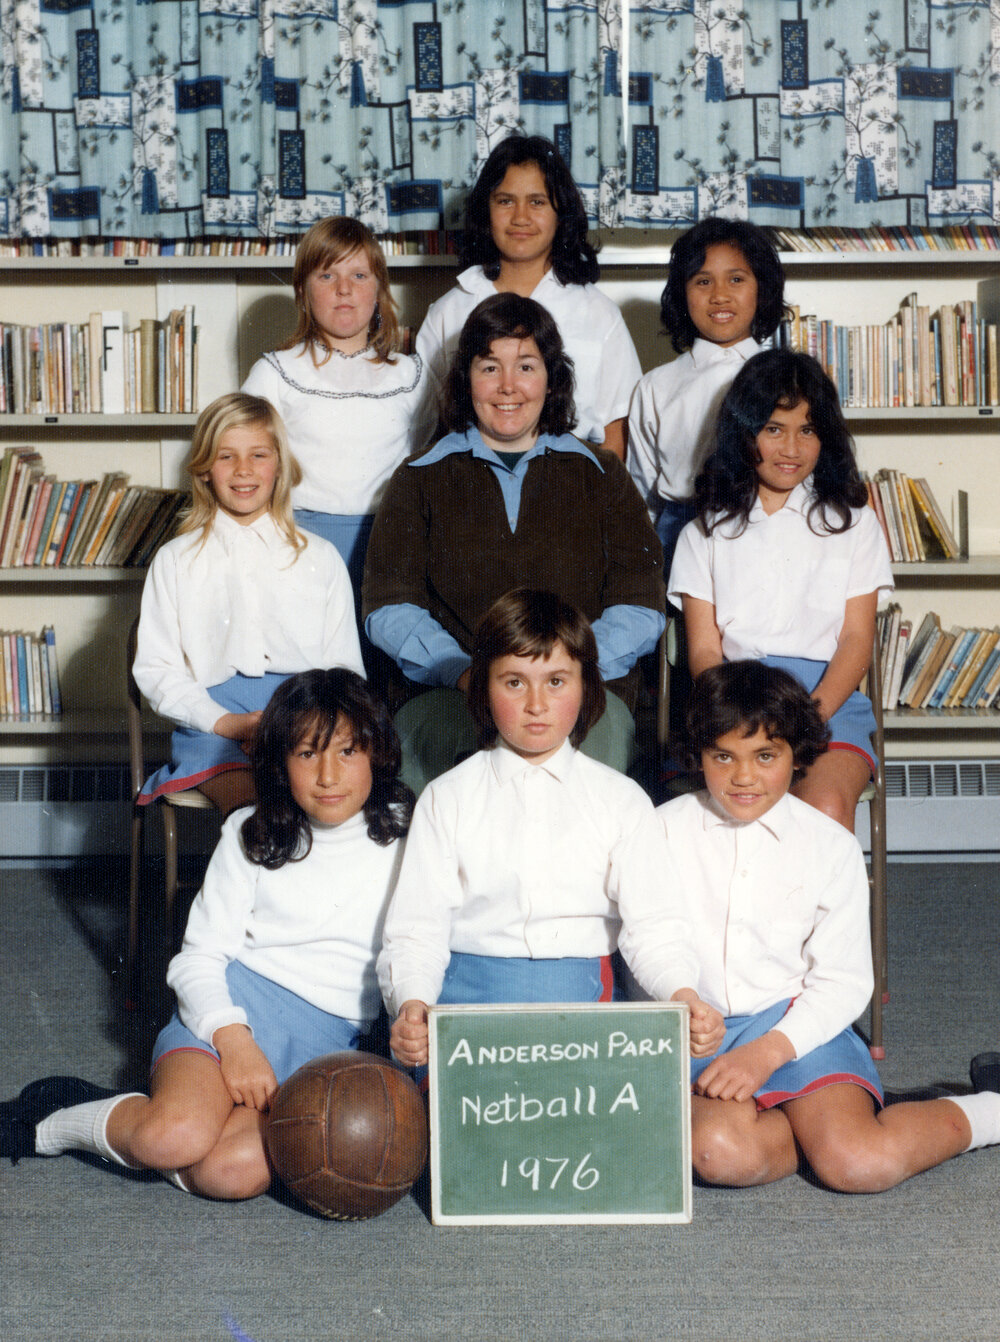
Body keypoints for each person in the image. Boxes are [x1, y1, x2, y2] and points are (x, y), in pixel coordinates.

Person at [0, 669, 414, 1200]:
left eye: (347, 752)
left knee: (229, 1173)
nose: (329, 775)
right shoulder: (252, 830)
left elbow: (415, 944)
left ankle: (147, 1105)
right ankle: (53, 1121)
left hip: (325, 1040)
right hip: (232, 1009)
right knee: (172, 1139)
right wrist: (233, 1040)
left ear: (376, 754)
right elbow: (197, 959)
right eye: (307, 754)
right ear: (280, 763)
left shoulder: (408, 831)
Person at [663, 660, 1000, 1193]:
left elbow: (843, 982)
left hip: (797, 1025)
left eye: (766, 756)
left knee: (858, 1164)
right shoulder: (660, 832)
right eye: (723, 756)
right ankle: (815, 1128)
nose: (744, 776)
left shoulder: (829, 844)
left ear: (797, 755)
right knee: (719, 1155)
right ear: (697, 754)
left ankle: (991, 1109)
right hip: (698, 1032)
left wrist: (769, 1051)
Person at [378, 588, 723, 1071]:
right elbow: (417, 931)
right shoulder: (447, 797)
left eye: (556, 681)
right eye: (514, 683)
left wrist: (683, 994)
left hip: (581, 1006)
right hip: (465, 1007)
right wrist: (413, 1004)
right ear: (482, 687)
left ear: (586, 687)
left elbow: (655, 929)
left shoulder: (620, 801)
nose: (536, 704)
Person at [363, 292, 665, 792]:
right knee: (454, 790)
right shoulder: (419, 477)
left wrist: (566, 674)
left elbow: (641, 602)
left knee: (588, 783)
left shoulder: (602, 473)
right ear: (466, 380)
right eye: (489, 368)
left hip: (583, 691)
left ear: (552, 378)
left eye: (525, 366)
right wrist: (465, 673)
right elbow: (389, 607)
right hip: (452, 692)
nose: (508, 387)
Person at [668, 348, 892, 831]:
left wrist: (806, 721)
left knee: (824, 812)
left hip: (825, 704)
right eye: (773, 429)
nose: (791, 448)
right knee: (722, 823)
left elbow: (856, 641)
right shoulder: (702, 534)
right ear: (744, 432)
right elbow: (705, 650)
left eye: (807, 430)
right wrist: (740, 724)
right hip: (733, 707)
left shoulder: (855, 526)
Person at [133, 392, 363, 816]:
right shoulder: (176, 560)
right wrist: (228, 723)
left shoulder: (320, 557)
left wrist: (307, 724)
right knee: (255, 815)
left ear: (280, 466)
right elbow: (156, 669)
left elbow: (345, 669)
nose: (244, 470)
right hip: (213, 723)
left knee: (329, 808)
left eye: (259, 455)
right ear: (204, 469)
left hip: (306, 718)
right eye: (226, 457)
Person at [242, 216, 435, 604]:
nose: (344, 290)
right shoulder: (276, 373)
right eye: (327, 276)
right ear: (302, 291)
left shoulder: (413, 376)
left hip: (391, 549)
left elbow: (424, 457)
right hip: (300, 547)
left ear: (380, 289)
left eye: (360, 276)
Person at [416, 134, 640, 459]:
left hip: (573, 489)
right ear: (485, 210)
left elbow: (616, 433)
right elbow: (423, 427)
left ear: (561, 212)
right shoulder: (448, 311)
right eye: (505, 200)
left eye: (537, 202)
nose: (520, 217)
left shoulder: (599, 312)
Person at [628, 217, 787, 577]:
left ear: (761, 289)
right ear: (682, 294)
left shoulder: (786, 379)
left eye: (736, 279)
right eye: (703, 281)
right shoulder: (656, 386)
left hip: (767, 525)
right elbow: (641, 490)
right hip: (679, 529)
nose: (719, 295)